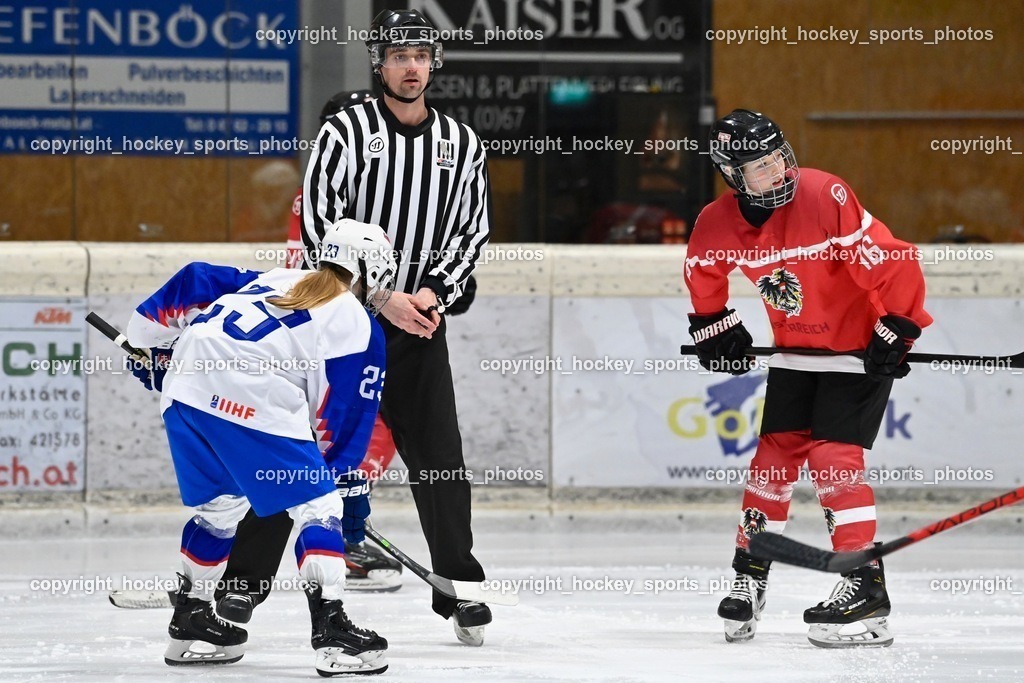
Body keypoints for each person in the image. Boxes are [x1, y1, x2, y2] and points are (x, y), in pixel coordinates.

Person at [684, 109, 932, 647]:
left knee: (831, 457)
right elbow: (701, 274)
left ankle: (862, 584)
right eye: (760, 166)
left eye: (779, 158)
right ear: (732, 174)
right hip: (797, 354)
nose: (778, 172)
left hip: (858, 351)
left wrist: (898, 324)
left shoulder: (824, 196)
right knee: (771, 461)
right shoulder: (716, 222)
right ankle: (750, 575)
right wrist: (713, 326)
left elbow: (892, 260)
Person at [125, 219, 397, 675]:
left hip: (184, 391)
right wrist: (345, 492)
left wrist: (148, 345)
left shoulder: (274, 277)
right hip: (250, 397)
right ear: (372, 270)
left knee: (221, 508)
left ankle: (190, 621)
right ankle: (332, 632)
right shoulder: (358, 323)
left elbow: (194, 278)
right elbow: (341, 427)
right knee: (318, 504)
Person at [300, 8, 493, 646]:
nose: (412, 67)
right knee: (311, 457)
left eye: (421, 56)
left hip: (420, 326)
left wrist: (433, 293)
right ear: (379, 63)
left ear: (433, 63)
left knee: (441, 459)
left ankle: (459, 584)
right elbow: (318, 226)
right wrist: (381, 297)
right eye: (399, 56)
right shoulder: (344, 132)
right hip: (342, 325)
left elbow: (472, 231)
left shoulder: (462, 143)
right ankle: (233, 585)